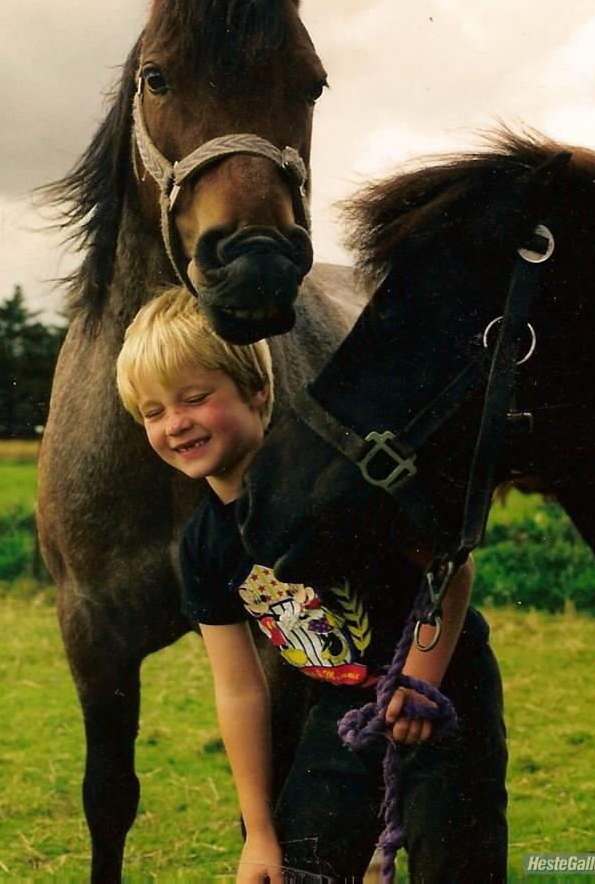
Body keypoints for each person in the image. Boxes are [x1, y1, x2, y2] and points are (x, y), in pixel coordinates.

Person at [116, 287, 507, 884]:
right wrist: (260, 834)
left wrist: (422, 683)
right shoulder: (203, 546)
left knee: (454, 864)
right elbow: (240, 691)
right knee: (300, 866)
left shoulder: (337, 483)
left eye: (195, 397)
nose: (176, 423)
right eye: (153, 411)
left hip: (443, 688)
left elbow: (449, 565)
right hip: (341, 706)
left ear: (258, 391)